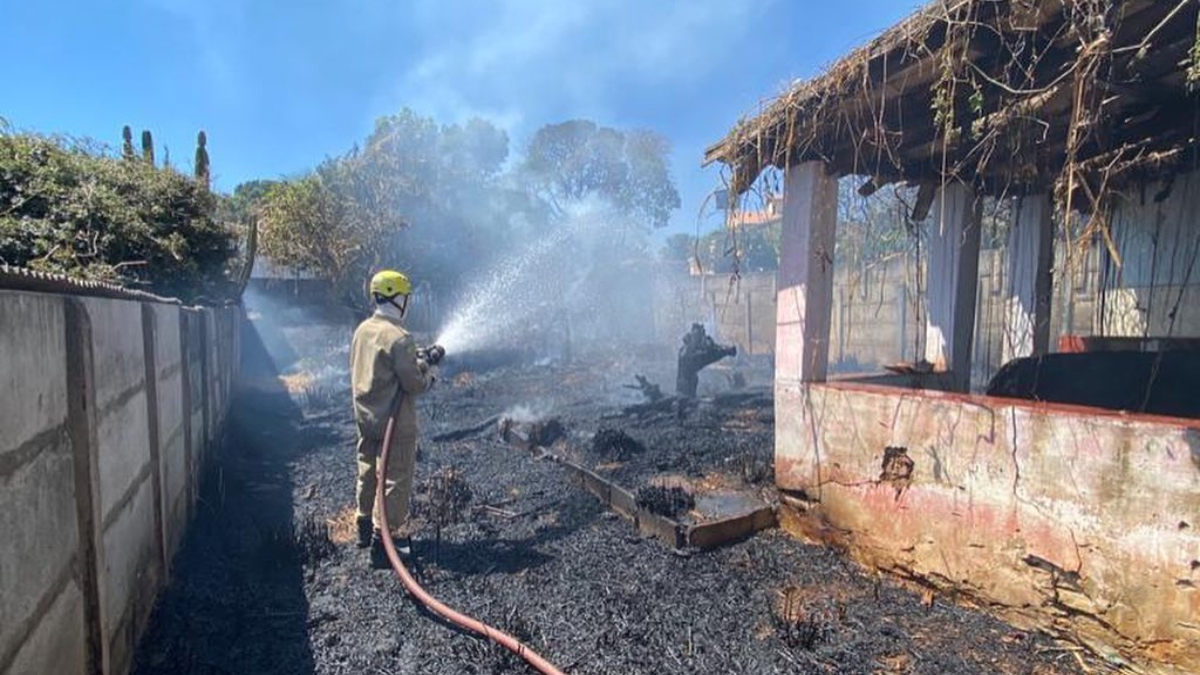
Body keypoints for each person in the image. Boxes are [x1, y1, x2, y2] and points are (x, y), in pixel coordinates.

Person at [351, 269, 435, 568]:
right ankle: (384, 541)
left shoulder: (363, 330)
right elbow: (413, 383)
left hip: (366, 416)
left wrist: (418, 358)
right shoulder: (400, 337)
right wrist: (427, 370)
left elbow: (379, 366)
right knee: (394, 478)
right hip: (394, 423)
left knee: (367, 470)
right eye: (406, 298)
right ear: (399, 298)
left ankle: (363, 525)